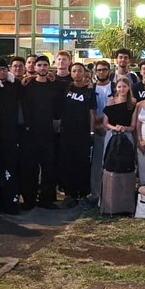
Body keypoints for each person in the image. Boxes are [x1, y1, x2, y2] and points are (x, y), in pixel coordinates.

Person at [20, 55, 61, 210]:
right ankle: (29, 199)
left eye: (45, 65)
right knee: (30, 167)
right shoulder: (27, 86)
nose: (42, 68)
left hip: (48, 132)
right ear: (35, 68)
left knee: (48, 166)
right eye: (39, 65)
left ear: (48, 67)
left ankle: (47, 199)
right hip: (30, 133)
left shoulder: (54, 86)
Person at [58, 63, 96, 208]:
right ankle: (69, 194)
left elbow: (92, 112)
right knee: (68, 163)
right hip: (67, 132)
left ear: (84, 73)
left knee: (83, 164)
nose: (77, 73)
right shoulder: (66, 87)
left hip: (83, 132)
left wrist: (92, 131)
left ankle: (83, 194)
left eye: (79, 71)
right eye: (74, 71)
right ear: (71, 73)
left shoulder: (89, 90)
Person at [0, 57, 22, 215]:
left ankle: (11, 201)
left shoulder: (14, 84)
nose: (2, 72)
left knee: (11, 168)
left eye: (4, 69)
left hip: (11, 132)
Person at [91, 59, 113, 198]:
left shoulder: (116, 87)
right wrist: (95, 125)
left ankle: (111, 193)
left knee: (111, 162)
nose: (101, 72)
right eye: (99, 70)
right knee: (96, 164)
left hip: (111, 129)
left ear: (109, 71)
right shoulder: (91, 88)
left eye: (104, 69)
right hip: (97, 129)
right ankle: (96, 193)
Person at [101, 77, 137, 148]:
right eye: (119, 87)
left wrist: (124, 128)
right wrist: (115, 128)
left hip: (127, 136)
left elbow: (133, 126)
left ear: (128, 87)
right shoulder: (111, 102)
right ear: (116, 88)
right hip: (111, 135)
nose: (122, 89)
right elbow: (105, 123)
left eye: (124, 86)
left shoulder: (133, 103)